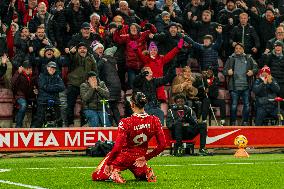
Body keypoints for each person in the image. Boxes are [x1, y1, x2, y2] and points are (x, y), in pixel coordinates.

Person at [92, 92, 166, 183]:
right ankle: (145, 172)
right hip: (139, 158)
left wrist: (109, 163)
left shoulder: (126, 122)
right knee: (140, 173)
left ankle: (113, 174)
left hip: (123, 157)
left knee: (96, 176)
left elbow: (117, 147)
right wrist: (146, 157)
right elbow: (162, 145)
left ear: (132, 104)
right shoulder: (155, 120)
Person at [223, 43, 258, 126]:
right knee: (234, 105)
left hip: (246, 87)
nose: (238, 50)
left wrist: (252, 72)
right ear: (234, 50)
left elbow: (256, 68)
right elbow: (224, 70)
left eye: (239, 48)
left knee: (247, 105)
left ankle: (245, 122)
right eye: (236, 48)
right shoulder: (230, 58)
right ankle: (233, 122)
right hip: (234, 87)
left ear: (243, 50)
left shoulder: (248, 58)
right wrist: (228, 72)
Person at [31, 61, 65, 128]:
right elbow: (44, 86)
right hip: (43, 100)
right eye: (51, 68)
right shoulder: (41, 76)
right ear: (47, 67)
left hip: (55, 100)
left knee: (60, 119)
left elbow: (62, 87)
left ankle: (59, 132)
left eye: (54, 68)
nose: (52, 70)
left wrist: (49, 87)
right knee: (39, 119)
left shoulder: (57, 77)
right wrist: (55, 87)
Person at [11, 60, 37, 128]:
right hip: (20, 96)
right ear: (23, 68)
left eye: (29, 68)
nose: (28, 70)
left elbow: (37, 86)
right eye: (26, 68)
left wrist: (37, 90)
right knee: (23, 105)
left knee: (37, 105)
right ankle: (18, 125)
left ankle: (33, 125)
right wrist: (17, 73)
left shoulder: (34, 76)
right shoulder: (19, 74)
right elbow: (12, 84)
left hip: (30, 96)